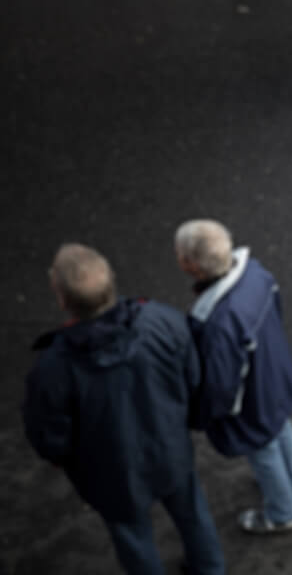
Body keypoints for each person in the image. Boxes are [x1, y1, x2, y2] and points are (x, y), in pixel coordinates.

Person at [23, 245, 225, 575]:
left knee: (132, 536)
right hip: (170, 448)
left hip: (111, 473)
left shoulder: (52, 368)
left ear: (61, 298)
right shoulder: (163, 321)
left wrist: (62, 458)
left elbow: (48, 433)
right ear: (111, 282)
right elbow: (194, 377)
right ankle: (210, 568)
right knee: (191, 512)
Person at [175, 220, 292, 534]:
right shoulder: (257, 275)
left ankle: (282, 512)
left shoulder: (219, 321)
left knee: (263, 450)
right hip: (275, 374)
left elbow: (221, 386)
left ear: (192, 266)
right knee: (281, 425)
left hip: (251, 400)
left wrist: (202, 415)